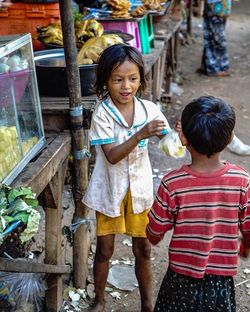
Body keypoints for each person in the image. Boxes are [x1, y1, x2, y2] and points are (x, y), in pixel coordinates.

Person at [82, 43, 172, 312]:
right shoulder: (102, 114)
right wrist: (140, 135)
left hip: (140, 190)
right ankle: (99, 300)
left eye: (132, 79)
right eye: (118, 79)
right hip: (110, 189)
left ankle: (147, 304)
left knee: (143, 250)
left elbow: (170, 143)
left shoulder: (149, 110)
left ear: (141, 79)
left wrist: (176, 136)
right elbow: (111, 156)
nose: (126, 86)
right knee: (105, 250)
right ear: (105, 81)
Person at [146, 96, 250, 312]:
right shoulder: (242, 181)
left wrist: (153, 235)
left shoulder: (172, 183)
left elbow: (155, 230)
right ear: (230, 138)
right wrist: (246, 246)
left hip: (180, 278)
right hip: (220, 280)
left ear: (183, 138)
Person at [199, 0, 231, 77]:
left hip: (215, 5)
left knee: (210, 35)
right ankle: (215, 68)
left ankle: (207, 66)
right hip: (217, 5)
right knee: (218, 38)